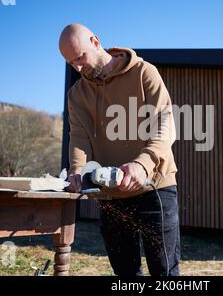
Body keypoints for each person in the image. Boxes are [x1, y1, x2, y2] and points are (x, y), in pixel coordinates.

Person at [58, 24, 180, 276]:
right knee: (125, 274)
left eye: (80, 57)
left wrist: (143, 164)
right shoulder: (77, 94)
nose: (78, 68)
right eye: (71, 63)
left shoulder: (144, 73)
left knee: (164, 272)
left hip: (155, 187)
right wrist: (78, 170)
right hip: (111, 195)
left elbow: (166, 126)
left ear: (95, 41)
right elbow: (79, 138)